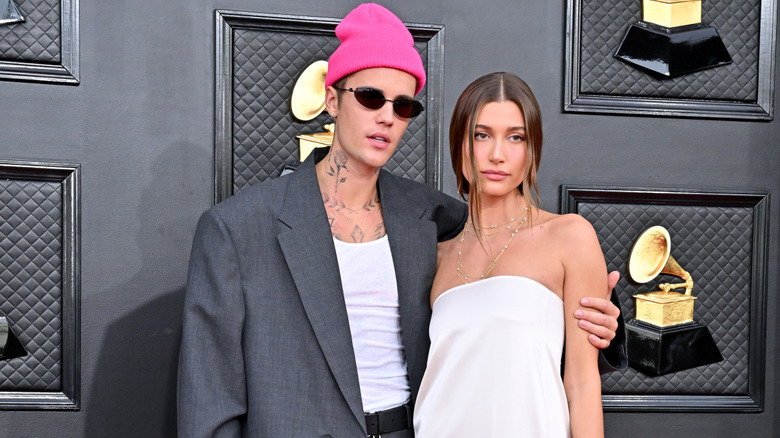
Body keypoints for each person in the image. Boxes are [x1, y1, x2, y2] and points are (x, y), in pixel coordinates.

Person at [178, 4, 624, 437]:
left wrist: (604, 321)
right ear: (332, 99)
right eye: (370, 97)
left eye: (404, 106)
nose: (387, 117)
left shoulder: (436, 219)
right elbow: (209, 404)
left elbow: (511, 309)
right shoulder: (238, 228)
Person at [414, 72, 609, 437]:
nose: (497, 154)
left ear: (532, 149)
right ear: (459, 143)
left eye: (515, 137)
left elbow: (582, 384)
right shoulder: (435, 255)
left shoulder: (569, 237)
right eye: (481, 135)